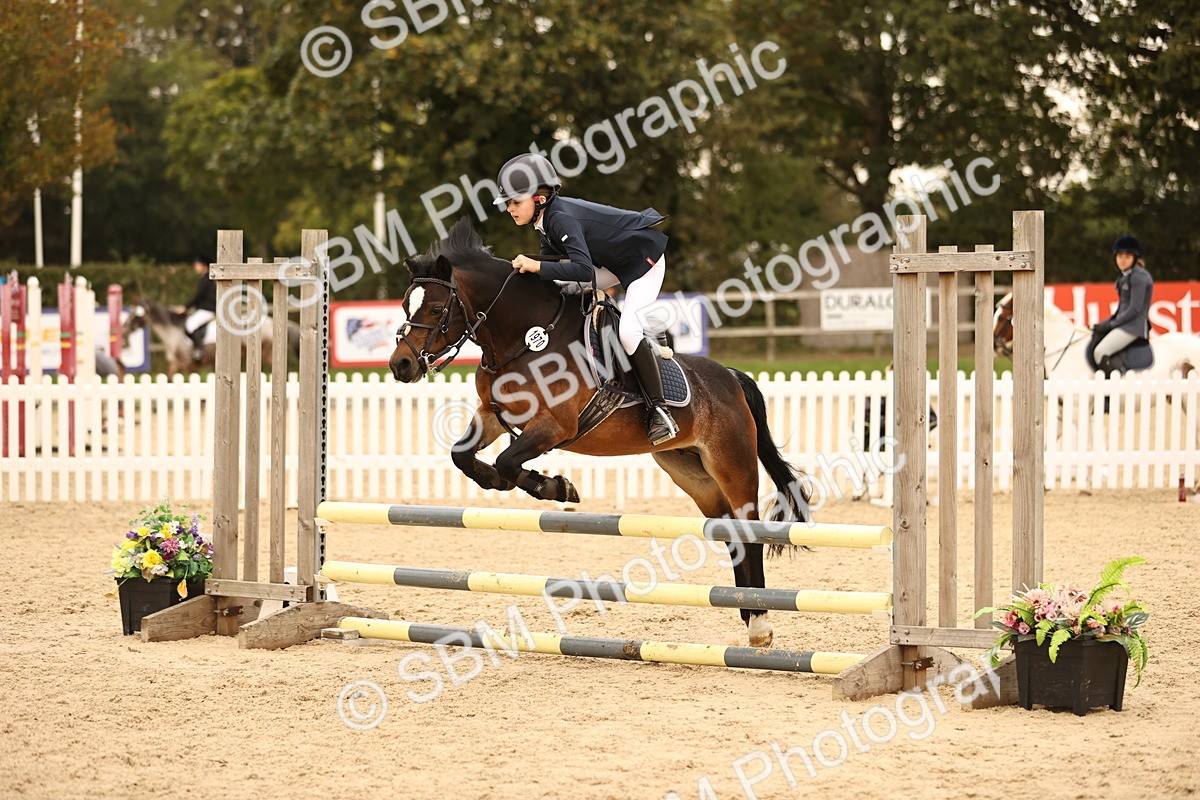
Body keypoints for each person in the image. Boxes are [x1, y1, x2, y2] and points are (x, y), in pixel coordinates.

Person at [494, 153, 678, 445]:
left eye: (516, 202)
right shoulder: (545, 222)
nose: (510, 209)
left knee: (629, 333)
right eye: (507, 203)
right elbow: (558, 267)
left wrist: (537, 266)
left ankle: (660, 410)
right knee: (559, 286)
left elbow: (579, 268)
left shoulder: (560, 219)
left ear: (540, 198)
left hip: (643, 262)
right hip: (609, 263)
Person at [1090, 235, 1153, 372]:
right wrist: (1105, 323)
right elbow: (1121, 309)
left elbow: (1134, 309)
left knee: (1100, 351)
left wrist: (1111, 324)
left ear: (1134, 258)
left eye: (1127, 256)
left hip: (1133, 327)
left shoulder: (1139, 277)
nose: (1122, 260)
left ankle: (1112, 390)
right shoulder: (1124, 277)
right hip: (1125, 325)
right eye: (1119, 256)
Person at [177, 256, 217, 363]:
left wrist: (186, 307)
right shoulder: (206, 278)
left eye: (197, 265)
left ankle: (199, 350)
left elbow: (199, 296)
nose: (195, 267)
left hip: (207, 309)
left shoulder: (206, 278)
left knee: (190, 325)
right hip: (204, 308)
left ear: (203, 265)